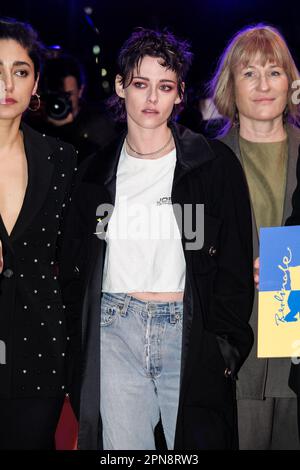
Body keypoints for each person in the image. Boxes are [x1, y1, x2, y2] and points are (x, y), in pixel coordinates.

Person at [60, 27, 254, 450]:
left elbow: (235, 265)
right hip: (115, 332)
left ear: (179, 94)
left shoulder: (212, 165)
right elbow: (73, 268)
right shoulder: (93, 174)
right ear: (120, 87)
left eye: (164, 86)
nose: (151, 99)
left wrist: (225, 350)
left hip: (188, 332)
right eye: (141, 84)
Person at [210, 23, 300, 450]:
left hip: (296, 350)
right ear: (231, 85)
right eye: (249, 73)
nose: (263, 85)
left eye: (274, 72)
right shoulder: (204, 164)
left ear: (291, 82)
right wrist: (228, 270)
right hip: (234, 349)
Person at [0, 17, 77, 449]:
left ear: (35, 85)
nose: (7, 83)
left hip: (39, 353)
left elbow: (74, 264)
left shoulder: (62, 160)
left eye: (20, 71)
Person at [25, 53, 117, 165]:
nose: (60, 101)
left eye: (67, 95)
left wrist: (68, 129)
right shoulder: (33, 125)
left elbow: (100, 167)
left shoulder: (98, 124)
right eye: (56, 94)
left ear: (80, 90)